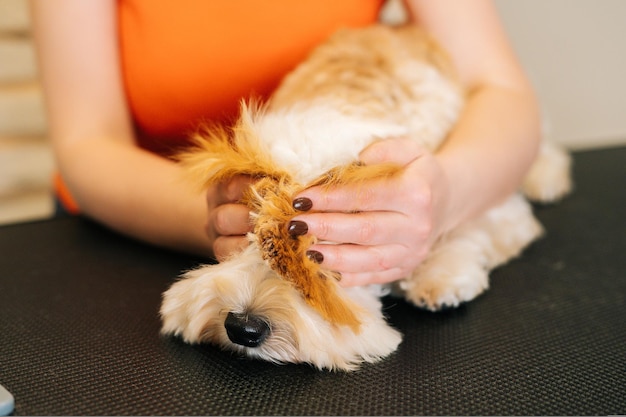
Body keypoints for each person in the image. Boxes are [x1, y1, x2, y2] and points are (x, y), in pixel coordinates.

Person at [30, 0, 541, 287]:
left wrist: (444, 196)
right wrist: (241, 219)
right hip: (124, 230)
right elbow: (86, 143)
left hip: (321, 236)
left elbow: (498, 89)